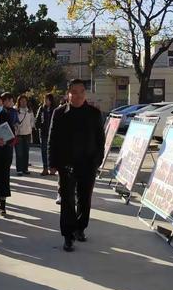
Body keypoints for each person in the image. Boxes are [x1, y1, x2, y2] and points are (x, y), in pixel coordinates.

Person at [48, 79, 105, 252]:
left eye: (81, 92)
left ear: (85, 93)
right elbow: (52, 139)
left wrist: (97, 161)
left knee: (84, 198)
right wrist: (52, 163)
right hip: (67, 165)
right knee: (67, 200)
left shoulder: (94, 113)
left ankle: (80, 228)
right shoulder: (59, 113)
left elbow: (100, 140)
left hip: (88, 164)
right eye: (74, 92)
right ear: (68, 94)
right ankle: (68, 235)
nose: (78, 95)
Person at [35, 93, 57, 176]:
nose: (45, 101)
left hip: (52, 133)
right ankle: (45, 168)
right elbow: (37, 120)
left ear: (51, 100)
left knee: (52, 151)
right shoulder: (41, 108)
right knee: (44, 151)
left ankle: (52, 168)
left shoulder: (55, 109)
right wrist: (40, 125)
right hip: (43, 133)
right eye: (45, 99)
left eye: (47, 99)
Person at [15, 94, 35, 176]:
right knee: (19, 153)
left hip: (27, 134)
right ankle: (19, 169)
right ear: (19, 102)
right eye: (21, 101)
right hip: (18, 134)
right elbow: (15, 122)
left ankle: (25, 168)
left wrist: (30, 129)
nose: (23, 102)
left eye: (25, 101)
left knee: (26, 152)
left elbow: (32, 121)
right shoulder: (16, 110)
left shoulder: (29, 111)